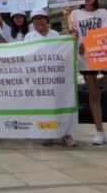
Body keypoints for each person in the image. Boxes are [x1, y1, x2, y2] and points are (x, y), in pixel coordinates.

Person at [67, 0, 107, 148]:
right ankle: (99, 131)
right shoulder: (75, 14)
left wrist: (86, 42)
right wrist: (74, 36)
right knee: (93, 95)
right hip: (85, 57)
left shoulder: (103, 13)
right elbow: (73, 33)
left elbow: (105, 32)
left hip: (104, 54)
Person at [24, 9, 77, 147]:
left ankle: (65, 134)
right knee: (43, 106)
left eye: (41, 18)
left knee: (60, 104)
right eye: (36, 19)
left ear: (47, 20)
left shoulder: (55, 35)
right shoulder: (29, 37)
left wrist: (71, 40)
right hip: (38, 79)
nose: (39, 22)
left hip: (55, 78)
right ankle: (47, 134)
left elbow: (63, 52)